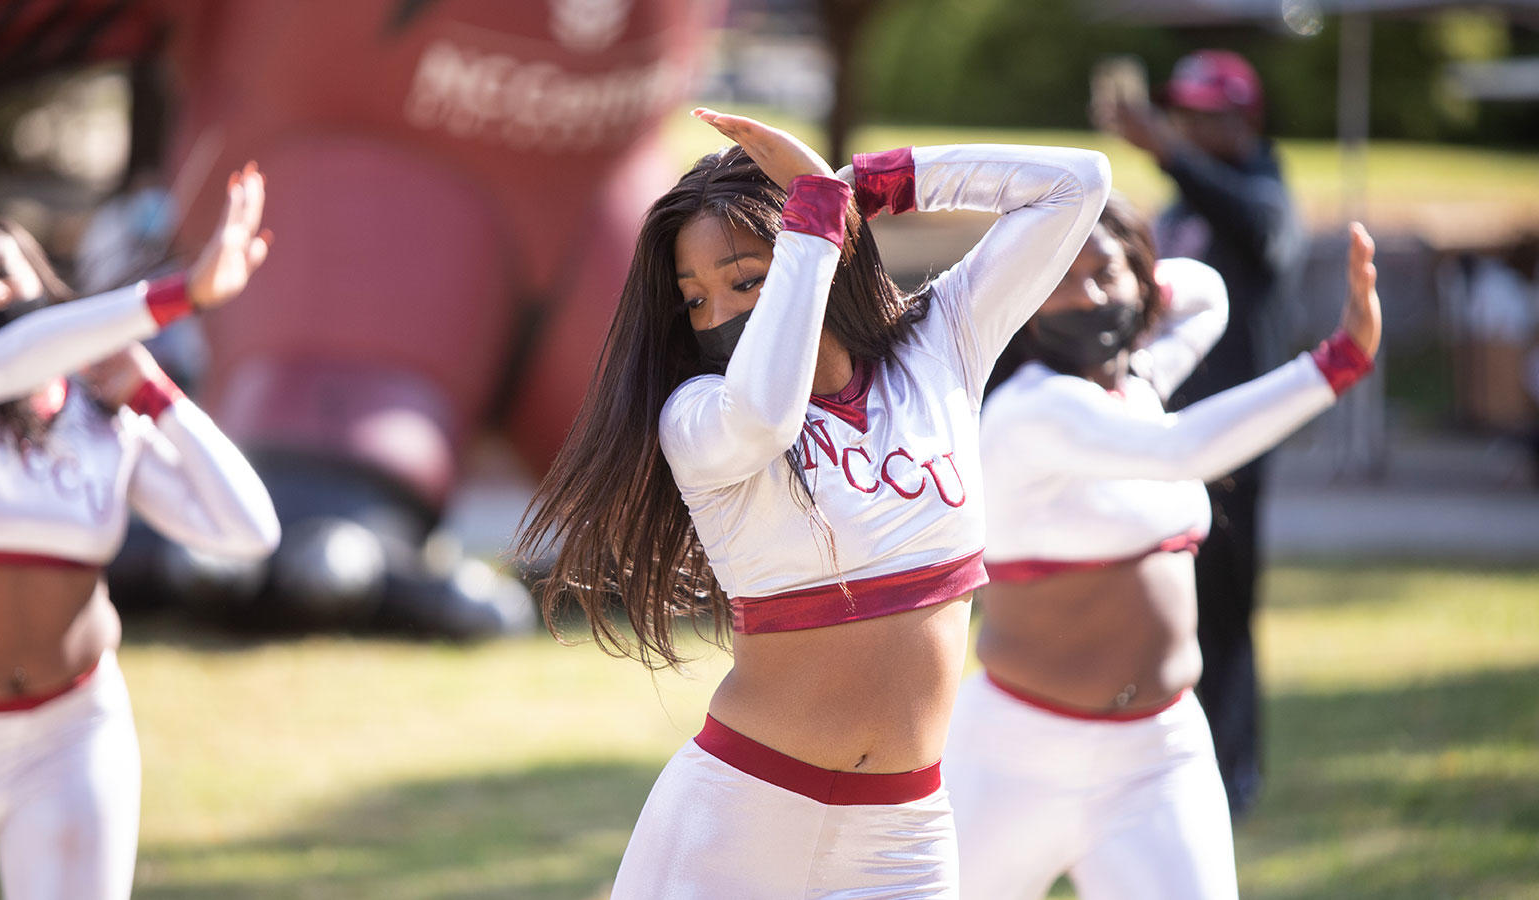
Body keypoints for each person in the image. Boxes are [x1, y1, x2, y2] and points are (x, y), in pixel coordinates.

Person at [514, 109, 1109, 897]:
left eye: (744, 279)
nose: (718, 316)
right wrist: (812, 219)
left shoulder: (941, 351)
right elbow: (767, 412)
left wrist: (870, 182)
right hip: (743, 816)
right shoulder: (697, 416)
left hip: (904, 831)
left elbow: (1076, 186)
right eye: (694, 299)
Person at [944, 198, 1380, 900]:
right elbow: (1181, 450)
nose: (1085, 295)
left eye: (1103, 273)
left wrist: (1143, 291)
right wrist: (1336, 362)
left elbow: (1209, 294)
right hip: (1012, 759)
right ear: (1018, 297)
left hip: (1158, 755)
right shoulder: (1030, 410)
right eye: (1056, 277)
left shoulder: (1137, 390)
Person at [0, 164, 278, 900]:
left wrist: (155, 395)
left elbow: (248, 530)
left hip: (71, 733)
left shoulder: (100, 421)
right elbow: (6, 357)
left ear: (44, 281)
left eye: (3, 271)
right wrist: (182, 292)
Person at [1106, 49, 1305, 813]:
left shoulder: (1262, 195)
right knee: (1159, 606)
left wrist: (1171, 153)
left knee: (1222, 616)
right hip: (1165, 436)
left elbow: (1260, 231)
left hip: (1233, 442)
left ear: (1244, 118)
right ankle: (1165, 770)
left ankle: (1232, 774)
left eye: (1202, 115)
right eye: (1178, 113)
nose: (1185, 126)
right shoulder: (1184, 205)